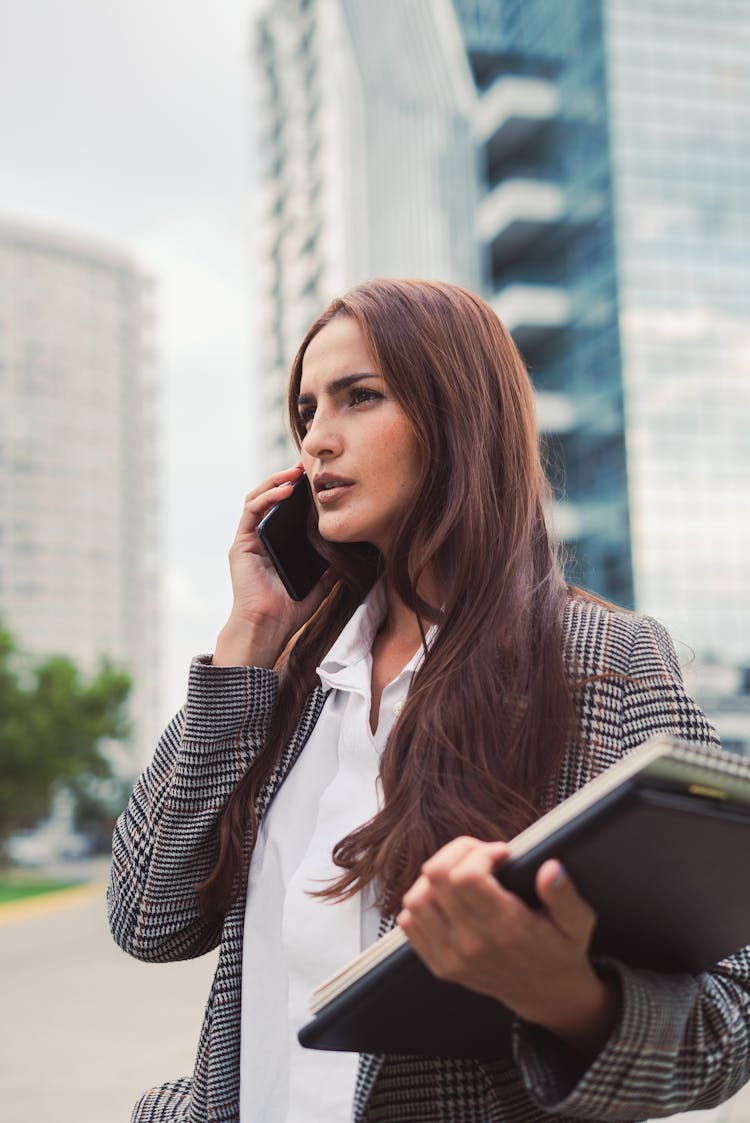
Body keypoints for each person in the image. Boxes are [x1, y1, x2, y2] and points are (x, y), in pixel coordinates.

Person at [108, 278, 750, 1123]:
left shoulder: (601, 663)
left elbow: (729, 1016)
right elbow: (147, 917)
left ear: (456, 415)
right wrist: (247, 642)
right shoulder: (296, 675)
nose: (317, 442)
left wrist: (568, 996)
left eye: (358, 398)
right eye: (306, 413)